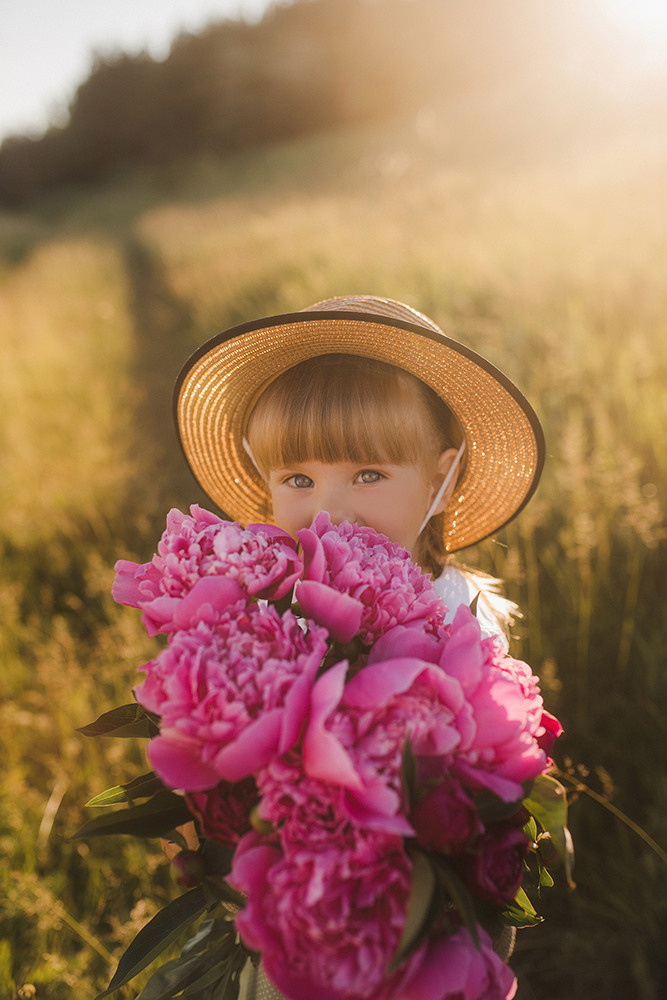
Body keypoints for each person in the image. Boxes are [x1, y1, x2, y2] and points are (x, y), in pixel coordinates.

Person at [173, 294, 545, 998]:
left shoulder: (459, 619)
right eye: (298, 479)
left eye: (367, 475)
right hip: (290, 905)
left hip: (408, 913)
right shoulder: (267, 604)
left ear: (443, 475)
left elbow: (487, 787)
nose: (329, 510)